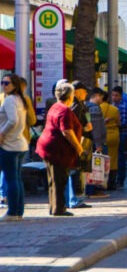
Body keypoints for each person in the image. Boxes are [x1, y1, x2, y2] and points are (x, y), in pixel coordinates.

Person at [36, 82, 83, 216]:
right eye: (73, 94)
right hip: (57, 150)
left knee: (54, 180)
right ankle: (59, 208)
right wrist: (79, 148)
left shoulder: (55, 106)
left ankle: (54, 207)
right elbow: (67, 131)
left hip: (49, 147)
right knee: (59, 179)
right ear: (70, 96)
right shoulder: (64, 110)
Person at [0, 74, 30, 221]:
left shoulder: (10, 100)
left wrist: (2, 133)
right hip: (19, 143)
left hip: (9, 144)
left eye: (7, 83)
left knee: (11, 178)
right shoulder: (20, 100)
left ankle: (13, 212)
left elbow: (13, 120)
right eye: (2, 83)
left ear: (15, 85)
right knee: (16, 179)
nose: (4, 86)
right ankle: (18, 211)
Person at [68, 81, 93, 209]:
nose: (86, 94)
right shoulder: (75, 106)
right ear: (77, 91)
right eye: (84, 91)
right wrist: (85, 129)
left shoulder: (81, 105)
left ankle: (77, 196)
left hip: (82, 140)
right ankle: (74, 198)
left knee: (79, 170)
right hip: (78, 141)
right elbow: (71, 127)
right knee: (75, 170)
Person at [85, 87, 108, 198]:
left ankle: (90, 189)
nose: (102, 100)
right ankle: (93, 190)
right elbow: (97, 128)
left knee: (90, 166)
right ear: (97, 95)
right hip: (96, 142)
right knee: (96, 167)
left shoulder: (86, 106)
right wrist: (98, 144)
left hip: (89, 141)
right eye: (101, 97)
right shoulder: (95, 109)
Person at [95, 88, 120, 190]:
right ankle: (112, 183)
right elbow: (119, 123)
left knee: (101, 159)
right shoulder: (115, 110)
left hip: (102, 135)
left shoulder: (97, 108)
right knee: (113, 159)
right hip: (113, 134)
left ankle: (101, 182)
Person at [111, 86, 127, 189]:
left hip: (122, 135)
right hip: (113, 134)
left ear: (121, 96)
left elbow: (124, 123)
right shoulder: (111, 106)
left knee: (120, 158)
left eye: (116, 95)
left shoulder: (123, 107)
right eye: (113, 95)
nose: (114, 97)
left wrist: (113, 123)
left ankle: (120, 180)